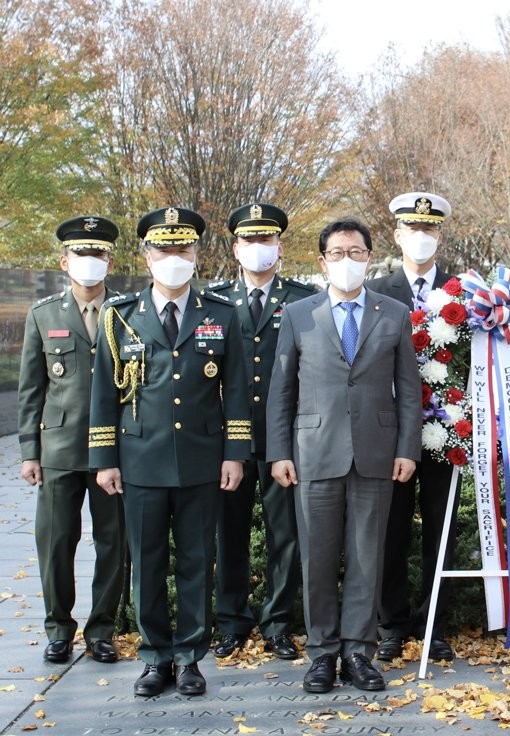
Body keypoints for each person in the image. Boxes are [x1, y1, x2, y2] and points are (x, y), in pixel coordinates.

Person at [90, 207, 251, 697]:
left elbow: (238, 388)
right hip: (140, 461)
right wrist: (104, 459)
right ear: (147, 255)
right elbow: (103, 392)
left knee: (198, 563)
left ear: (197, 254)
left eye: (183, 248)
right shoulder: (119, 315)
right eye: (164, 249)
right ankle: (155, 656)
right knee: (149, 563)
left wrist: (235, 453)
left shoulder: (221, 313)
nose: (174, 258)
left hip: (202, 461)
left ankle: (190, 659)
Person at [266, 219, 421, 694]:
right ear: (322, 262)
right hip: (313, 453)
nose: (347, 261)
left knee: (366, 557)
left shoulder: (393, 313)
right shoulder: (299, 315)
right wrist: (278, 452)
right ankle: (321, 653)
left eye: (356, 252)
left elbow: (410, 391)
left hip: (376, 453)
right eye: (337, 253)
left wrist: (407, 449)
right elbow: (281, 391)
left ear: (370, 258)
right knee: (316, 557)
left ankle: (359, 651)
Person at [209, 203, 317, 661]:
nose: (258, 249)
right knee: (227, 534)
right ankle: (231, 621)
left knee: (284, 534)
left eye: (266, 240)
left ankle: (276, 623)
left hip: (283, 440)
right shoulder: (213, 302)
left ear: (280, 246)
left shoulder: (302, 301)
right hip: (227, 442)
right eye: (249, 241)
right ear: (236, 248)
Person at [18, 216, 126, 665]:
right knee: (56, 542)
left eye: (98, 253)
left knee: (113, 544)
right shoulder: (43, 315)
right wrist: (29, 452)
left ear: (110, 260)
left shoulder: (127, 312)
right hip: (60, 450)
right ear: (64, 261)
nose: (90, 261)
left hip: (115, 452)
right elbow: (31, 388)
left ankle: (102, 629)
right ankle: (58, 627)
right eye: (81, 253)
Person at [365, 192, 458, 662]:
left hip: (448, 431)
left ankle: (435, 624)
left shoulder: (465, 292)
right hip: (388, 431)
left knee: (442, 529)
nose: (421, 237)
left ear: (440, 235)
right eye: (412, 230)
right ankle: (391, 623)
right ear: (397, 235)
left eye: (430, 229)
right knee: (390, 528)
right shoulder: (376, 292)